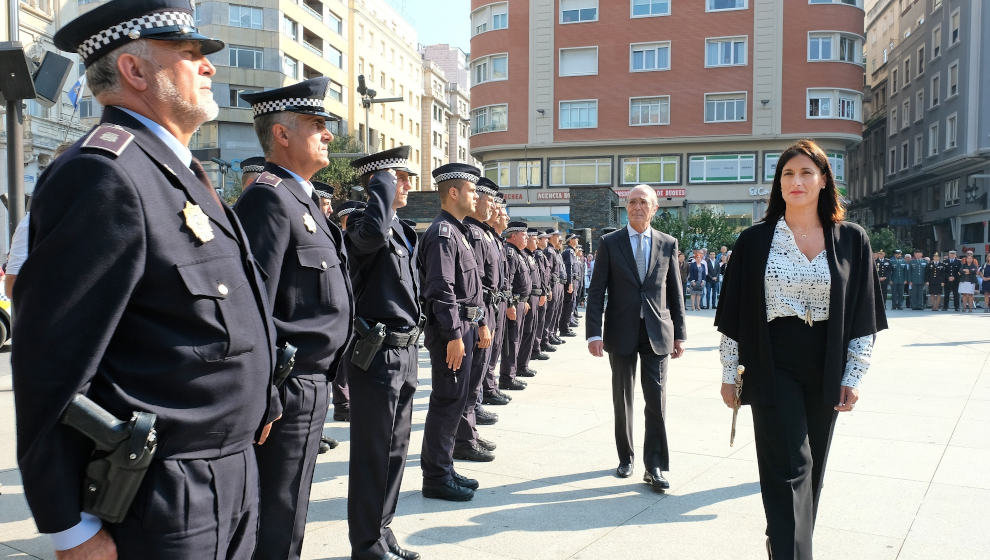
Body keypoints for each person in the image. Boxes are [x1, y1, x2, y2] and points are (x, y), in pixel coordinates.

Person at [14, 2, 281, 557]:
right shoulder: (103, 173)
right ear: (135, 72)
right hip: (164, 493)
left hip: (228, 473)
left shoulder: (176, 169)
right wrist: (70, 529)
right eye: (188, 54)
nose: (207, 66)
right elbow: (51, 365)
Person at [715, 140, 886, 560]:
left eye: (807, 172)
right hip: (771, 359)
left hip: (826, 361)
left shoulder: (851, 240)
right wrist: (728, 371)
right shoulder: (754, 241)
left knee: (812, 471)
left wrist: (854, 375)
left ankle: (783, 542)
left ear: (824, 179)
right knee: (790, 466)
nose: (797, 181)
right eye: (788, 173)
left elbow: (864, 314)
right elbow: (734, 313)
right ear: (779, 183)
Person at [234, 76, 354, 560]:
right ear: (281, 135)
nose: (327, 134)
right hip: (288, 384)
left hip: (311, 382)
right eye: (315, 124)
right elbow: (253, 305)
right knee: (278, 514)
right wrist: (265, 395)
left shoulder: (301, 199)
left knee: (292, 507)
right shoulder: (268, 198)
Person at [342, 146, 422, 560]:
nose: (407, 184)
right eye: (400, 178)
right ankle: (366, 544)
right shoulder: (361, 222)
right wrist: (382, 185)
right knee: (373, 453)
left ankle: (382, 530)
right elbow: (370, 237)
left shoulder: (403, 229)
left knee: (395, 451)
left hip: (405, 354)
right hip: (376, 356)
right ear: (378, 182)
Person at [585, 184, 687, 492]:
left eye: (643, 202)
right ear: (625, 208)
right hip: (620, 330)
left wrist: (679, 334)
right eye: (632, 202)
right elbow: (596, 291)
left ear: (655, 208)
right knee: (623, 397)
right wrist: (593, 332)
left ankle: (654, 464)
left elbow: (675, 292)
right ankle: (626, 456)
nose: (637, 206)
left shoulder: (668, 243)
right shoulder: (610, 243)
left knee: (656, 399)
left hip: (657, 332)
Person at [418, 163, 491, 502]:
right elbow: (441, 288)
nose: (476, 197)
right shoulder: (443, 234)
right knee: (446, 402)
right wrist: (453, 336)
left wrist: (478, 325)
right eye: (472, 190)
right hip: (453, 332)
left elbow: (470, 288)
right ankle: (435, 476)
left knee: (455, 401)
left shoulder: (458, 231)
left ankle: (444, 467)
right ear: (453, 192)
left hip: (465, 327)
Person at [454, 176, 502, 462]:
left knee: (478, 374)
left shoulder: (482, 232)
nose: (492, 205)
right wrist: (482, 318)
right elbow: (473, 283)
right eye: (487, 198)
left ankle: (469, 431)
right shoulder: (469, 231)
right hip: (474, 314)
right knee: (467, 381)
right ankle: (464, 437)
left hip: (486, 309)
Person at [482, 199, 514, 406]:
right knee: (485, 354)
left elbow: (505, 277)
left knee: (494, 349)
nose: (505, 215)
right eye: (501, 210)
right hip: (487, 304)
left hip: (498, 302)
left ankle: (490, 388)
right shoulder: (480, 236)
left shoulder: (495, 240)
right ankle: (486, 391)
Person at [499, 221, 533, 392]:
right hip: (513, 303)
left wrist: (524, 300)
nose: (526, 237)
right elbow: (508, 281)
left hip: (521, 302)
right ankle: (506, 377)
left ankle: (512, 373)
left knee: (517, 338)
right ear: (513, 235)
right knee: (511, 340)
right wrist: (511, 304)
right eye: (523, 234)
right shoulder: (510, 252)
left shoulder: (519, 253)